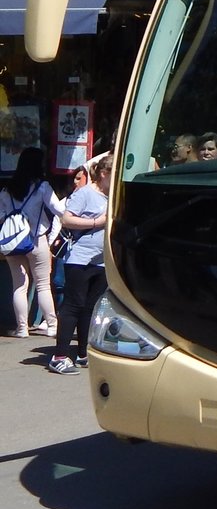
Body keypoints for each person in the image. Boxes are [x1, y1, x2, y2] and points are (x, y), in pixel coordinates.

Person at [47, 155, 111, 375]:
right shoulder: (85, 193)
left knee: (90, 309)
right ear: (104, 174)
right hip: (80, 259)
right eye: (114, 175)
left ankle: (83, 353)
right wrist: (96, 222)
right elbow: (67, 219)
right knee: (73, 306)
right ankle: (60, 356)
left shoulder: (112, 196)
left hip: (101, 261)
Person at [1, 147, 64, 339]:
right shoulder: (42, 187)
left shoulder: (7, 189)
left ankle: (22, 328)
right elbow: (59, 210)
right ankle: (52, 326)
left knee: (19, 285)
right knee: (43, 284)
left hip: (12, 242)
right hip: (37, 240)